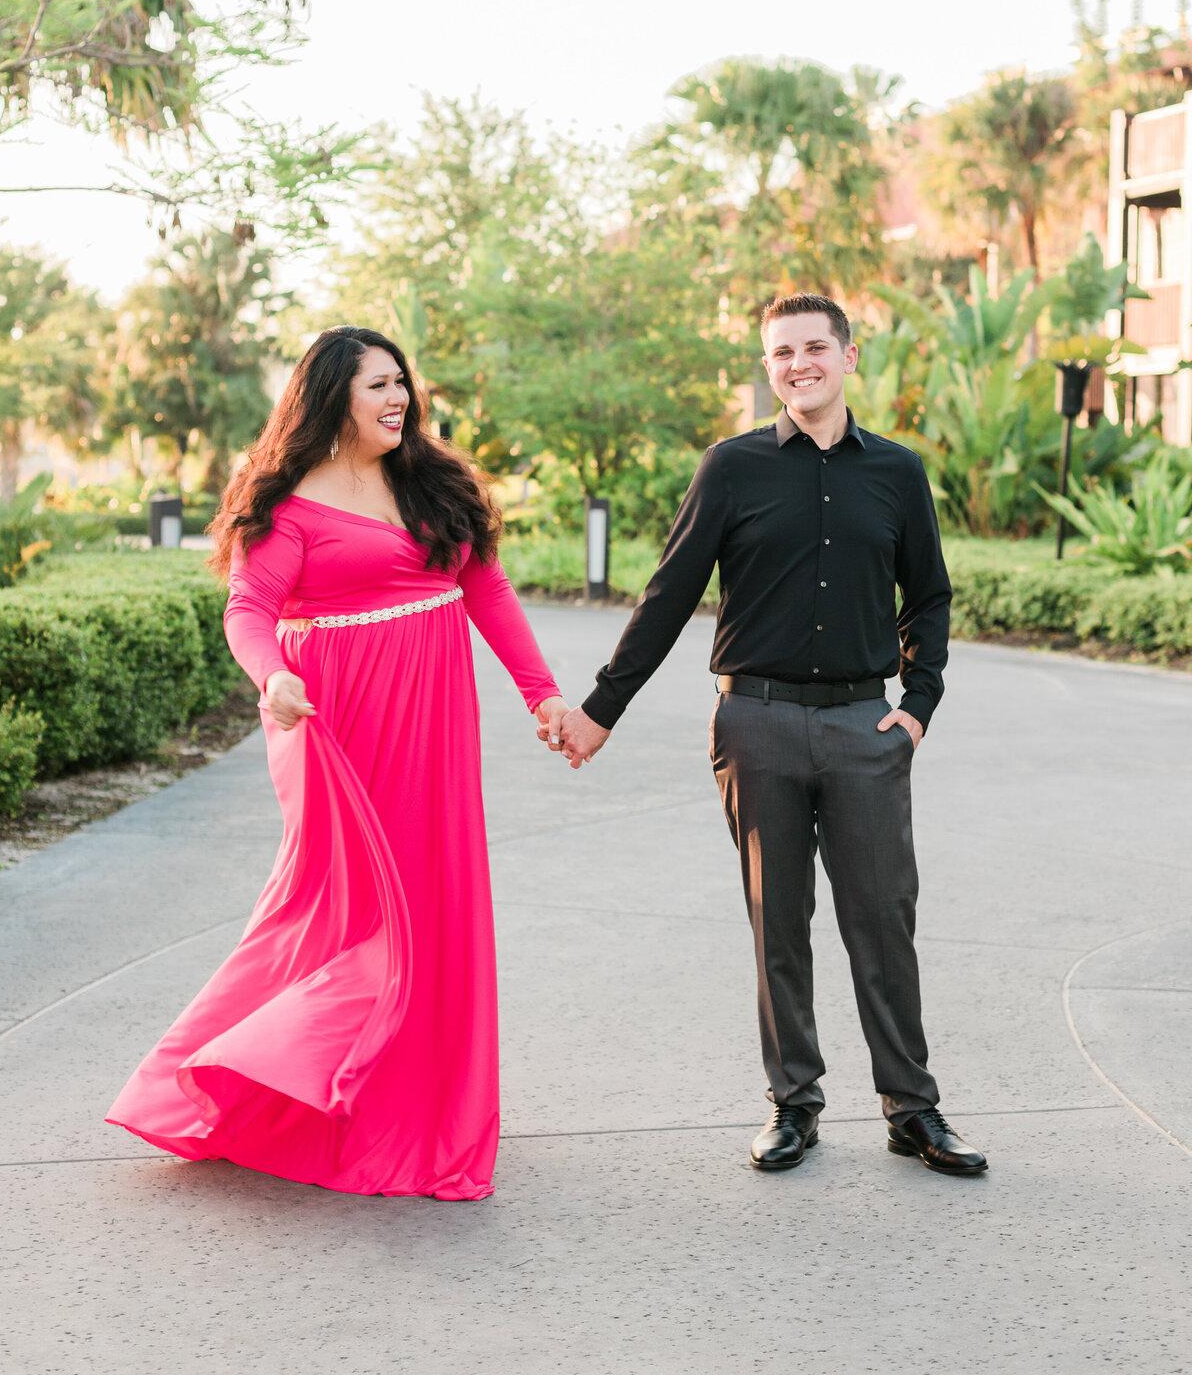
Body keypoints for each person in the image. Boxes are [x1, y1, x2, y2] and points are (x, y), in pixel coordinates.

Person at [107, 326, 568, 1200]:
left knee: (435, 893)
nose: (398, 400)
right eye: (376, 388)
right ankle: (246, 1074)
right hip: (335, 716)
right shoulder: (286, 501)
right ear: (330, 398)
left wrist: (541, 693)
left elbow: (486, 586)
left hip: (434, 715)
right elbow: (250, 608)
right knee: (347, 902)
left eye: (401, 383)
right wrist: (272, 673)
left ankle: (419, 1098)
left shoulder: (433, 481)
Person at [560, 294, 987, 1178]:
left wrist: (919, 705)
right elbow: (669, 595)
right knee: (778, 922)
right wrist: (603, 709)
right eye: (781, 353)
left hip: (866, 726)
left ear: (848, 356)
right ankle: (793, 1105)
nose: (799, 364)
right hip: (754, 721)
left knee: (883, 919)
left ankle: (914, 1109)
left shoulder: (897, 474)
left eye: (814, 348)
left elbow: (930, 596)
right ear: (769, 368)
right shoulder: (732, 468)